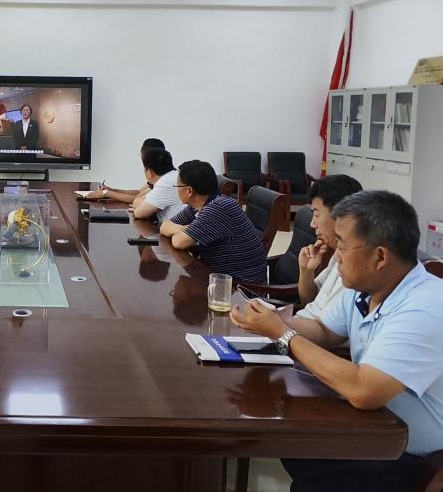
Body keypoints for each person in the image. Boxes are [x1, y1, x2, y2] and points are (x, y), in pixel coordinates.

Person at [231, 191, 443, 492]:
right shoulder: (366, 289)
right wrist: (268, 323)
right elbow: (322, 329)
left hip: (409, 456)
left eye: (342, 246)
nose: (336, 256)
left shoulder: (427, 305)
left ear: (380, 257)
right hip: (370, 428)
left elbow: (365, 390)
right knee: (289, 437)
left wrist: (283, 333)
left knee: (302, 447)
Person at [159, 160, 267, 284]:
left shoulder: (219, 208)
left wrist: (181, 231)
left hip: (240, 288)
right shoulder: (198, 205)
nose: (177, 191)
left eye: (178, 187)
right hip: (218, 277)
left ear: (189, 191)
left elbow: (178, 242)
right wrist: (183, 229)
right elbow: (164, 226)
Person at [290, 174, 362, 323]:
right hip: (300, 326)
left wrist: (279, 326)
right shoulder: (338, 251)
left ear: (341, 215)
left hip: (306, 333)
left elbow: (327, 328)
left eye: (316, 214)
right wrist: (306, 271)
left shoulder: (358, 264)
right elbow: (309, 301)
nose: (312, 224)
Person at [85, 138, 167, 204]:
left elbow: (135, 199)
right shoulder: (158, 172)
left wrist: (106, 193)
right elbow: (138, 192)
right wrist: (112, 190)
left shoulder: (161, 178)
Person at [130, 147, 184, 224]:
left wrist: (147, 207)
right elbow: (137, 201)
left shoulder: (166, 182)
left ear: (149, 172)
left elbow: (139, 213)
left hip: (174, 229)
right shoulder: (173, 176)